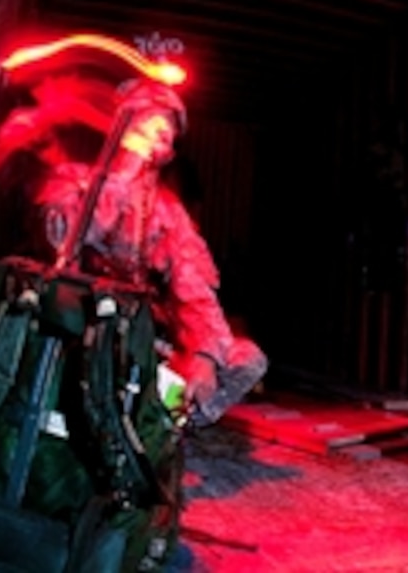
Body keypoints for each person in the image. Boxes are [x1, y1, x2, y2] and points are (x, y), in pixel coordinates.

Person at [35, 78, 268, 427]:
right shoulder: (71, 179)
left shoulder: (168, 211)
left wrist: (205, 355)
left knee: (245, 358)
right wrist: (123, 172)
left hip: (138, 335)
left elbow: (195, 290)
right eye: (153, 121)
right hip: (73, 327)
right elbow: (67, 240)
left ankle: (160, 429)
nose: (164, 134)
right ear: (125, 125)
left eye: (170, 129)